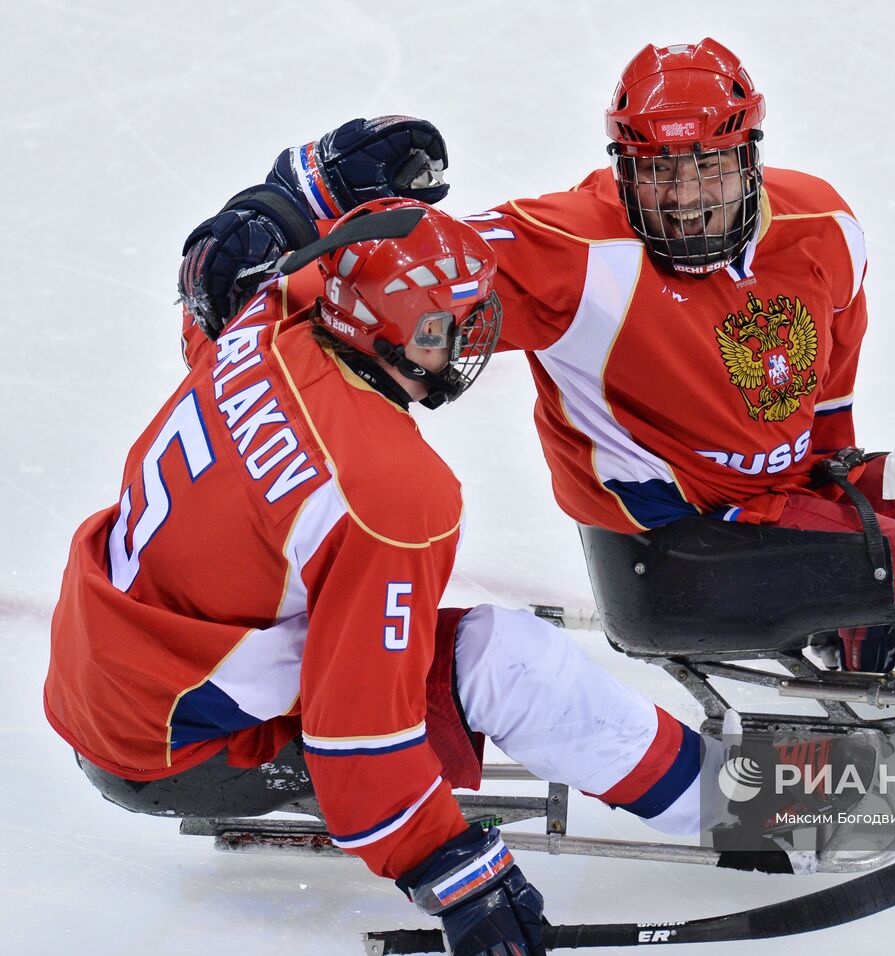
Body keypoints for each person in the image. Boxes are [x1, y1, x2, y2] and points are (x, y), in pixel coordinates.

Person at [177, 41, 895, 731]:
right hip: (673, 560)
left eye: (708, 168)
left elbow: (824, 403)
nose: (682, 198)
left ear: (753, 157)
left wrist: (848, 522)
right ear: (623, 162)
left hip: (780, 512)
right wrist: (288, 209)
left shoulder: (826, 231)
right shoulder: (572, 249)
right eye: (658, 170)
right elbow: (405, 264)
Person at [46, 199, 735, 956]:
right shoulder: (391, 493)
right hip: (176, 747)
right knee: (507, 661)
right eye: (448, 327)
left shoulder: (266, 316)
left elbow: (257, 273)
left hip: (109, 672)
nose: (472, 342)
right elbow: (360, 735)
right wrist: (450, 869)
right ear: (392, 333)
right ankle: (743, 804)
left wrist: (299, 189)